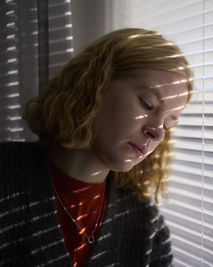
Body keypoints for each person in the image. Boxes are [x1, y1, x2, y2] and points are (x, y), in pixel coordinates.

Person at [0, 28, 193, 267]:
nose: (158, 132)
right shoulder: (6, 176)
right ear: (95, 83)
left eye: (168, 123)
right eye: (147, 103)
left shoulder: (146, 228)